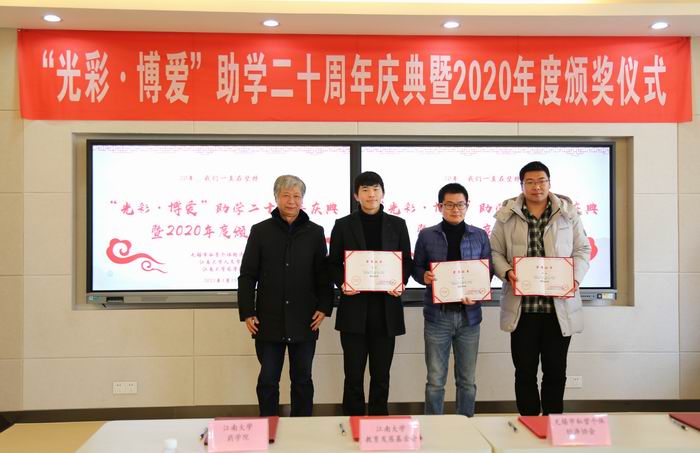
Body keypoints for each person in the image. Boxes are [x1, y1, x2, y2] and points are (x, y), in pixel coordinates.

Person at [490, 161, 591, 415]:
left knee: (556, 371)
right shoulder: (506, 215)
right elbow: (495, 252)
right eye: (530, 182)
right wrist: (507, 272)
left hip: (558, 309)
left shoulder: (568, 212)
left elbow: (582, 249)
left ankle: (553, 423)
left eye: (541, 181)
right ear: (522, 185)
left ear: (549, 182)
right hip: (522, 309)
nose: (537, 187)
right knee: (524, 372)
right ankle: (529, 423)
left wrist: (573, 279)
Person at [238, 174, 333, 417]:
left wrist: (324, 307)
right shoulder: (260, 231)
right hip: (268, 319)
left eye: (297, 196)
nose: (292, 201)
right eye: (286, 195)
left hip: (305, 318)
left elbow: (323, 275)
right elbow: (247, 275)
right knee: (268, 379)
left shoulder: (315, 232)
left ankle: (302, 428)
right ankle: (268, 426)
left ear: (303, 199)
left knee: (302, 379)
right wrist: (247, 312)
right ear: (276, 197)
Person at [328, 171, 412, 416]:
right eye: (365, 190)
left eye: (375, 189)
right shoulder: (343, 225)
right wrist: (342, 283)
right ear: (356, 195)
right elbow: (333, 263)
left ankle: (378, 423)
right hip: (354, 311)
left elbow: (406, 262)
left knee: (381, 375)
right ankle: (352, 421)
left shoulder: (398, 224)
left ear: (383, 193)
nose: (371, 194)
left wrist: (400, 281)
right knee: (353, 376)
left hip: (386, 312)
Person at [412, 183, 492, 417]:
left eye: (460, 204)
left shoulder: (480, 235)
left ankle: (465, 424)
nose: (455, 209)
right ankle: (433, 425)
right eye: (449, 205)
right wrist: (424, 276)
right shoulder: (427, 235)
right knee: (435, 380)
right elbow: (416, 268)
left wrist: (476, 292)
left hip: (469, 317)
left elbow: (487, 272)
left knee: (467, 380)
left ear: (467, 205)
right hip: (438, 317)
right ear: (440, 207)